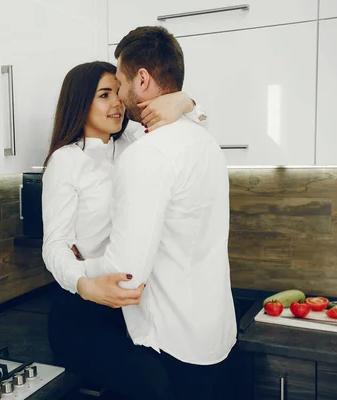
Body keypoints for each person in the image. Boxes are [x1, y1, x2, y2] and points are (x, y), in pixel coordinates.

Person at [81, 26, 237, 400]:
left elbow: (127, 273)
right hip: (213, 333)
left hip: (171, 342)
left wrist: (80, 271)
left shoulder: (148, 155)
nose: (118, 95)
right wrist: (190, 103)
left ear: (143, 79)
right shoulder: (206, 141)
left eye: (120, 83)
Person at [42, 61, 206, 400]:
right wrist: (86, 285)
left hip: (134, 308)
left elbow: (188, 127)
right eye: (105, 95)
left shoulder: (132, 140)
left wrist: (187, 101)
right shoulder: (66, 161)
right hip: (82, 310)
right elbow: (54, 245)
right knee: (152, 385)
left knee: (178, 378)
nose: (117, 103)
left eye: (118, 92)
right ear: (79, 102)